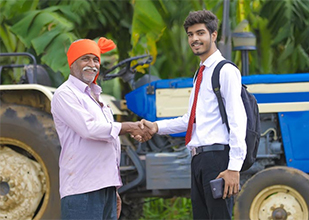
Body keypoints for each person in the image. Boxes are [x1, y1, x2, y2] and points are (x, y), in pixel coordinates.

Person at [142, 10, 247, 219]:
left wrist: (234, 168)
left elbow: (238, 119)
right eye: (190, 34)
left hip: (217, 159)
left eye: (200, 33)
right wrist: (156, 127)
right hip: (199, 159)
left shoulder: (224, 71)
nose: (194, 39)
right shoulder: (200, 73)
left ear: (213, 35)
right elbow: (189, 120)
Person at [51, 37, 152, 219]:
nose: (92, 64)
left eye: (96, 59)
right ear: (72, 63)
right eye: (85, 59)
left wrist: (112, 189)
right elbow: (89, 129)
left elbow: (109, 144)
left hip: (105, 189)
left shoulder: (98, 99)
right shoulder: (64, 94)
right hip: (82, 190)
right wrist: (129, 126)